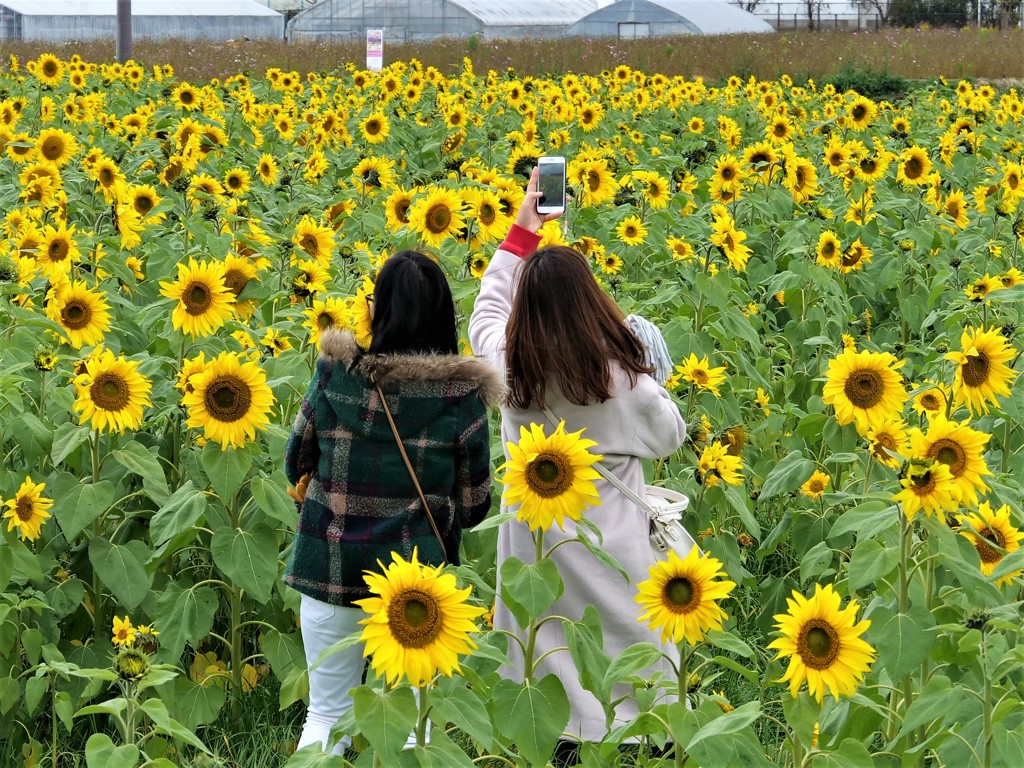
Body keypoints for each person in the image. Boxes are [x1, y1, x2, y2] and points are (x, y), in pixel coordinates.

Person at [468, 169, 687, 763]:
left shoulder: (507, 369)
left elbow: (485, 312)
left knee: (550, 664)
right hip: (615, 557)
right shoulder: (626, 384)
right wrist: (643, 357)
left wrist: (522, 231)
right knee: (628, 673)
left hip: (537, 552)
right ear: (595, 303)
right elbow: (671, 437)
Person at [284, 250, 502, 756]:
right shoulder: (461, 397)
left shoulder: (335, 375)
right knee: (411, 727)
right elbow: (474, 506)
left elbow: (296, 459)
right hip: (416, 587)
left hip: (328, 565)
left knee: (326, 713)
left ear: (377, 310)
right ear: (445, 317)